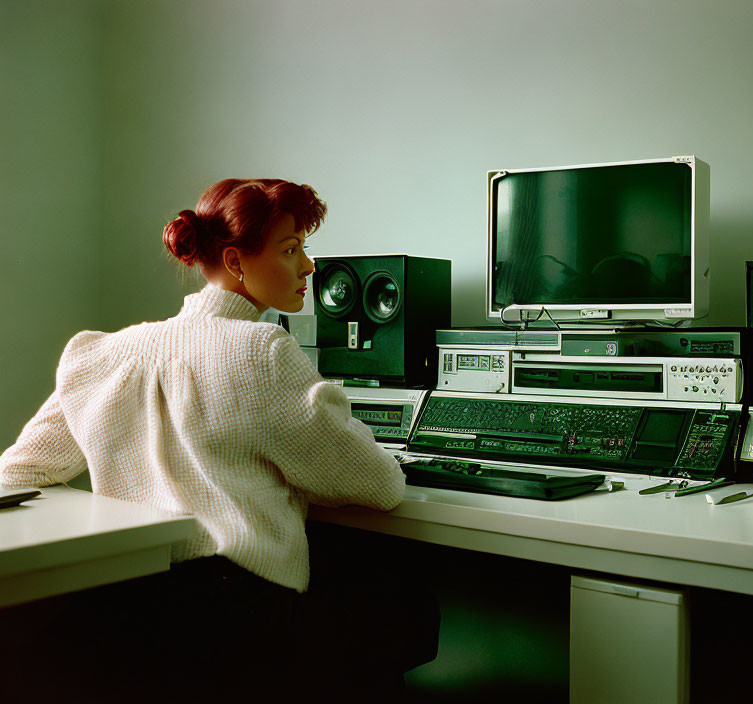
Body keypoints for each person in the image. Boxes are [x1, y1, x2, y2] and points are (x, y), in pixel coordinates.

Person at [0, 178, 439, 702]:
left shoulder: (102, 355)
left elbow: (18, 473)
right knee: (400, 589)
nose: (309, 267)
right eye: (291, 248)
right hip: (244, 619)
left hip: (130, 613)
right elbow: (382, 485)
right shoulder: (262, 351)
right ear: (235, 262)